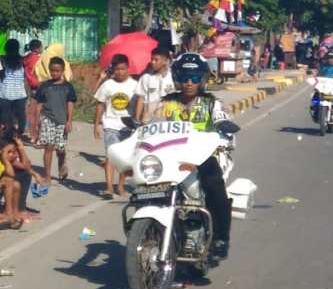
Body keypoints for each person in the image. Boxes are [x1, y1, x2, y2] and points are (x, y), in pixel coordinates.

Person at [153, 53, 234, 259]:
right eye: (185, 77)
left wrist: (223, 129)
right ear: (177, 78)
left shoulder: (212, 103)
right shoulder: (166, 103)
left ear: (202, 80)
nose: (189, 82)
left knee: (216, 188)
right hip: (170, 156)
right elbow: (150, 123)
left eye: (195, 78)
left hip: (202, 156)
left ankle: (221, 239)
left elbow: (221, 119)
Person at [93, 54, 136, 199]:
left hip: (127, 126)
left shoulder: (135, 86)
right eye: (117, 69)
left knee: (123, 158)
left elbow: (139, 105)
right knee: (110, 156)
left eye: (123, 69)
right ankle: (109, 188)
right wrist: (96, 125)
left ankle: (121, 186)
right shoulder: (108, 85)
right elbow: (100, 104)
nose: (120, 72)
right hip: (110, 124)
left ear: (128, 69)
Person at [31, 57, 76, 186]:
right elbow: (39, 104)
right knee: (48, 147)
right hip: (48, 119)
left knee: (60, 149)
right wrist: (36, 121)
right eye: (52, 71)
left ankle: (62, 164)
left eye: (57, 71)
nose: (54, 73)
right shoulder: (45, 86)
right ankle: (47, 176)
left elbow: (70, 104)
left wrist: (69, 121)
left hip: (62, 121)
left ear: (63, 71)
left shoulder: (68, 87)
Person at [134, 46, 175, 122]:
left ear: (165, 61)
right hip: (148, 119)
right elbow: (141, 99)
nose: (153, 62)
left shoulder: (173, 77)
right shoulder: (146, 78)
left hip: (167, 119)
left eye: (156, 60)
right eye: (152, 59)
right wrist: (137, 119)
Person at [0, 39, 31, 138]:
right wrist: (28, 95)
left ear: (6, 48)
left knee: (6, 120)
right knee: (20, 118)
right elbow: (25, 79)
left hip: (5, 95)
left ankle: (9, 139)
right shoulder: (22, 61)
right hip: (19, 95)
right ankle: (17, 138)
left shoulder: (2, 60)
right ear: (17, 48)